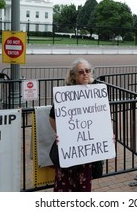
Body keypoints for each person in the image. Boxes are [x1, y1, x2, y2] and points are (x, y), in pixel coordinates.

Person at [49, 58, 95, 192]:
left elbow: (100, 119)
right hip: (69, 149)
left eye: (87, 71)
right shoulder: (65, 94)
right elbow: (52, 118)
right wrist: (61, 133)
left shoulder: (95, 93)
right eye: (81, 72)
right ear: (74, 75)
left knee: (83, 187)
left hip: (86, 150)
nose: (85, 74)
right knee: (64, 186)